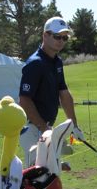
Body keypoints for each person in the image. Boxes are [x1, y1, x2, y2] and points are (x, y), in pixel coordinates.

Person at [19, 16, 85, 166]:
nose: (61, 41)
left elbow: (64, 94)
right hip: (31, 128)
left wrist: (74, 126)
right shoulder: (35, 63)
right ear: (45, 35)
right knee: (38, 174)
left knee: (51, 171)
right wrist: (44, 128)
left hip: (45, 127)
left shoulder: (57, 62)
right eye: (57, 36)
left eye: (64, 38)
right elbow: (24, 100)